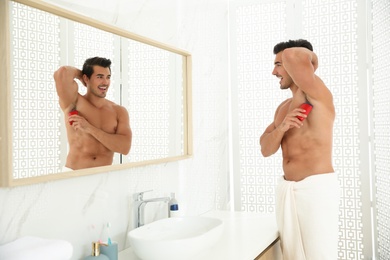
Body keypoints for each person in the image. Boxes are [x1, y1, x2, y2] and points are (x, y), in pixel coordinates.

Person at [259, 39, 339, 259]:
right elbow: (265, 149)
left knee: (319, 255)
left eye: (278, 64)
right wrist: (282, 128)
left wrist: (311, 64)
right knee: (292, 256)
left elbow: (294, 55)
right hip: (287, 190)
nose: (274, 72)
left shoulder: (318, 95)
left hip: (315, 191)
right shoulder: (283, 108)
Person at [53, 57, 132, 171]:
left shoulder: (118, 111)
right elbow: (62, 73)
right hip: (74, 174)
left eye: (108, 77)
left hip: (103, 176)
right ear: (86, 78)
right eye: (99, 77)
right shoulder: (73, 101)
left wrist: (89, 128)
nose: (105, 82)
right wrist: (81, 75)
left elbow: (125, 148)